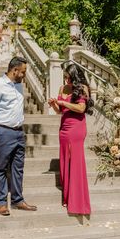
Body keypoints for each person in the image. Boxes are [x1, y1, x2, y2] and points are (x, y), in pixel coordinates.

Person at [0, 56, 37, 216]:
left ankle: (17, 200)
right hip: (3, 131)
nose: (25, 74)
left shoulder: (18, 85)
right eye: (23, 71)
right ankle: (1, 203)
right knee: (0, 168)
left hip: (19, 132)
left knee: (18, 168)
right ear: (14, 70)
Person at [48, 63, 94, 215]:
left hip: (77, 128)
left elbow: (81, 109)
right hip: (64, 128)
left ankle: (77, 200)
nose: (66, 79)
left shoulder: (82, 88)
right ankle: (67, 196)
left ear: (74, 76)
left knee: (75, 162)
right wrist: (55, 104)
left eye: (68, 77)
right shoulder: (62, 88)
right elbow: (60, 111)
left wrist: (63, 102)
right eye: (65, 77)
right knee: (64, 162)